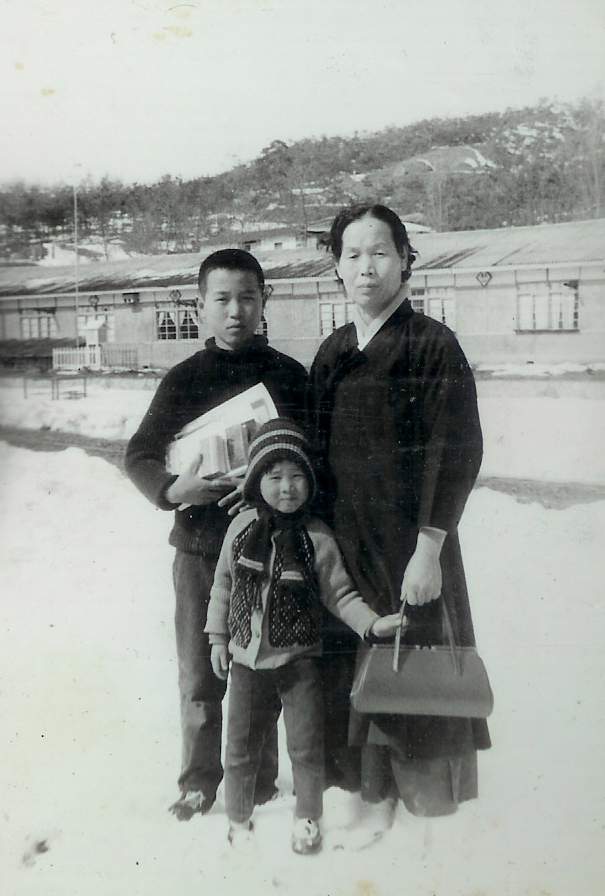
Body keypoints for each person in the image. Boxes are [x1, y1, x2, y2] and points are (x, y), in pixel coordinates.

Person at [308, 204, 491, 819]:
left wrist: (430, 547)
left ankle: (427, 815)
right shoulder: (332, 352)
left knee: (416, 675)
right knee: (352, 673)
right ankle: (367, 805)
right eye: (353, 254)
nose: (366, 267)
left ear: (406, 260)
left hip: (412, 547)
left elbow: (458, 448)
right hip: (348, 543)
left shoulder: (433, 345)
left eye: (380, 252)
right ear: (336, 266)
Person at [124, 249, 308, 820]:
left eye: (248, 297)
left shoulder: (289, 376)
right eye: (222, 299)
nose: (236, 311)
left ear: (264, 302)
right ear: (199, 306)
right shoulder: (183, 379)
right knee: (200, 673)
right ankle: (199, 781)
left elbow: (312, 460)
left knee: (266, 664)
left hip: (269, 553)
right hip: (200, 554)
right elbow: (138, 455)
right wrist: (176, 490)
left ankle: (257, 780)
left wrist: (271, 490)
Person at [205, 419, 400, 853]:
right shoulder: (239, 531)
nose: (287, 488)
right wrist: (218, 638)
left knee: (306, 749)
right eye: (275, 477)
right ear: (258, 480)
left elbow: (341, 593)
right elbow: (222, 586)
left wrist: (371, 623)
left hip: (300, 664)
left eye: (296, 477)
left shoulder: (317, 537)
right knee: (239, 748)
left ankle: (308, 819)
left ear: (309, 483)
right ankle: (238, 820)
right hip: (247, 663)